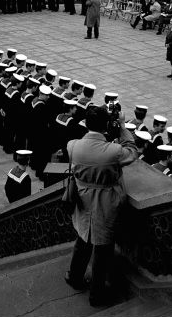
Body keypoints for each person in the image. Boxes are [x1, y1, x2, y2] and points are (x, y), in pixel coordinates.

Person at [65, 105, 137, 307]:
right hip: (105, 203)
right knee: (103, 248)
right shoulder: (113, 151)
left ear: (86, 124)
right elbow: (132, 151)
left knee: (82, 241)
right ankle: (97, 294)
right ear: (106, 124)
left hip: (82, 198)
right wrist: (122, 126)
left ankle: (75, 277)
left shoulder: (73, 146)